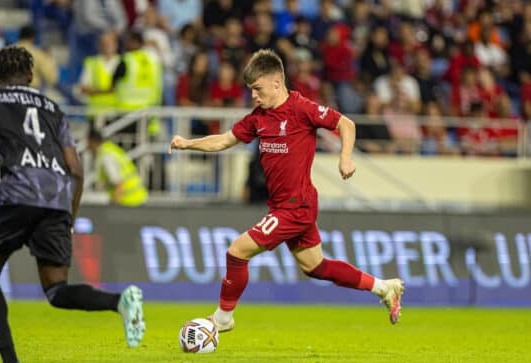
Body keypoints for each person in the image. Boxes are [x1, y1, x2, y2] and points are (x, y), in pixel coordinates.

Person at [0, 46, 145, 363]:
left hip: (18, 193)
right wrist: (68, 218)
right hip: (58, 197)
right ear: (31, 76)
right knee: (56, 290)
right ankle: (120, 302)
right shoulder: (53, 109)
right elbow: (76, 169)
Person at [169, 49, 404, 332]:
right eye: (251, 90)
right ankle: (383, 288)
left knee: (237, 252)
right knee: (315, 266)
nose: (254, 96)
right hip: (284, 205)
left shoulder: (301, 108)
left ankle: (222, 318)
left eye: (258, 89)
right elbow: (223, 141)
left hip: (296, 205)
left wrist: (345, 158)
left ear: (277, 83)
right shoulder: (259, 118)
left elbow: (345, 123)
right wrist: (187, 143)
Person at [87, 129, 148, 206]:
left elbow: (119, 184)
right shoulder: (111, 149)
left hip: (130, 201)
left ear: (93, 142)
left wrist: (115, 207)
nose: (87, 146)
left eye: (87, 142)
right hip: (137, 199)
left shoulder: (106, 157)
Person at [15, 25, 58, 90]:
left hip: (6, 94)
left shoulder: (5, 52)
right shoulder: (38, 54)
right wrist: (49, 58)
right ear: (33, 38)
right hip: (30, 93)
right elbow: (52, 78)